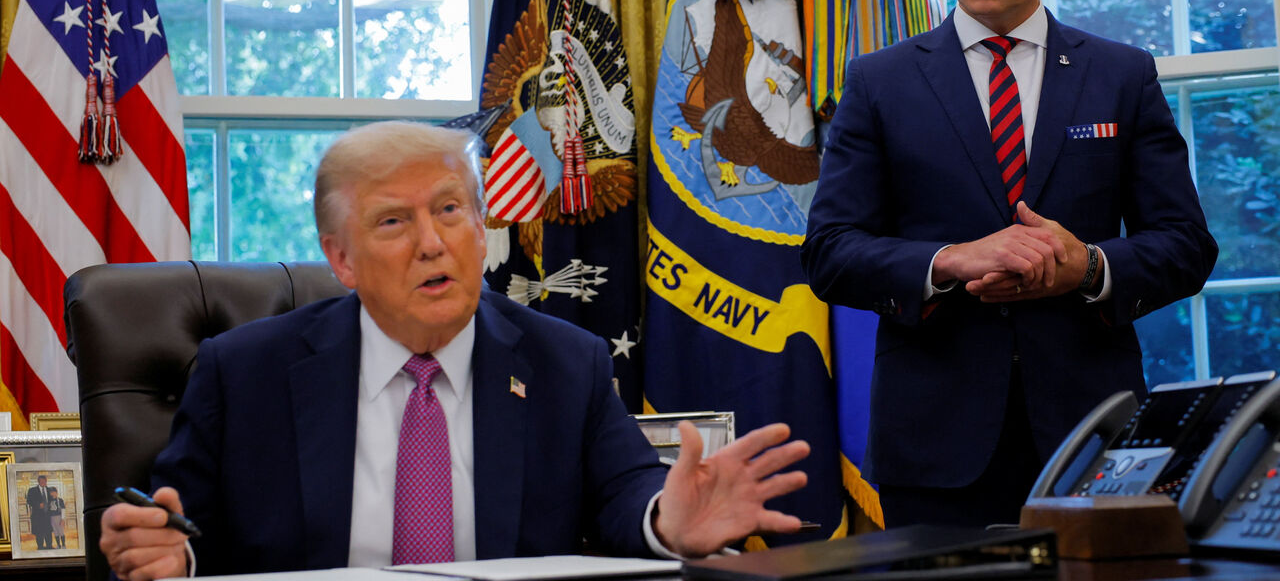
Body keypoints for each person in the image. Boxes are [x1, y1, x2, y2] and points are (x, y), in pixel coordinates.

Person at [101, 121, 811, 580]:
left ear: (479, 225)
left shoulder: (568, 362)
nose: (432, 243)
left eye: (448, 210)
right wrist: (166, 551)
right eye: (393, 222)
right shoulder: (244, 373)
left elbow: (625, 492)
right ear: (341, 259)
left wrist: (666, 521)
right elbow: (179, 524)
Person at [801, 0, 1217, 528]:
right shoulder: (880, 82)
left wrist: (1089, 267)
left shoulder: (1121, 75)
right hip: (934, 449)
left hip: (1094, 438)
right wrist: (949, 261)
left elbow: (1186, 245)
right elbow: (829, 253)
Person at [26, 474, 53, 550]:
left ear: (46, 481)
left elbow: (53, 500)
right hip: (37, 516)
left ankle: (49, 546)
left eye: (44, 481)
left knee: (48, 532)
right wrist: (38, 505)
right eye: (41, 481)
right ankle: (40, 547)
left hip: (48, 516)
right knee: (39, 533)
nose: (43, 482)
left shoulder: (50, 490)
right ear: (38, 481)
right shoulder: (32, 490)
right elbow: (29, 501)